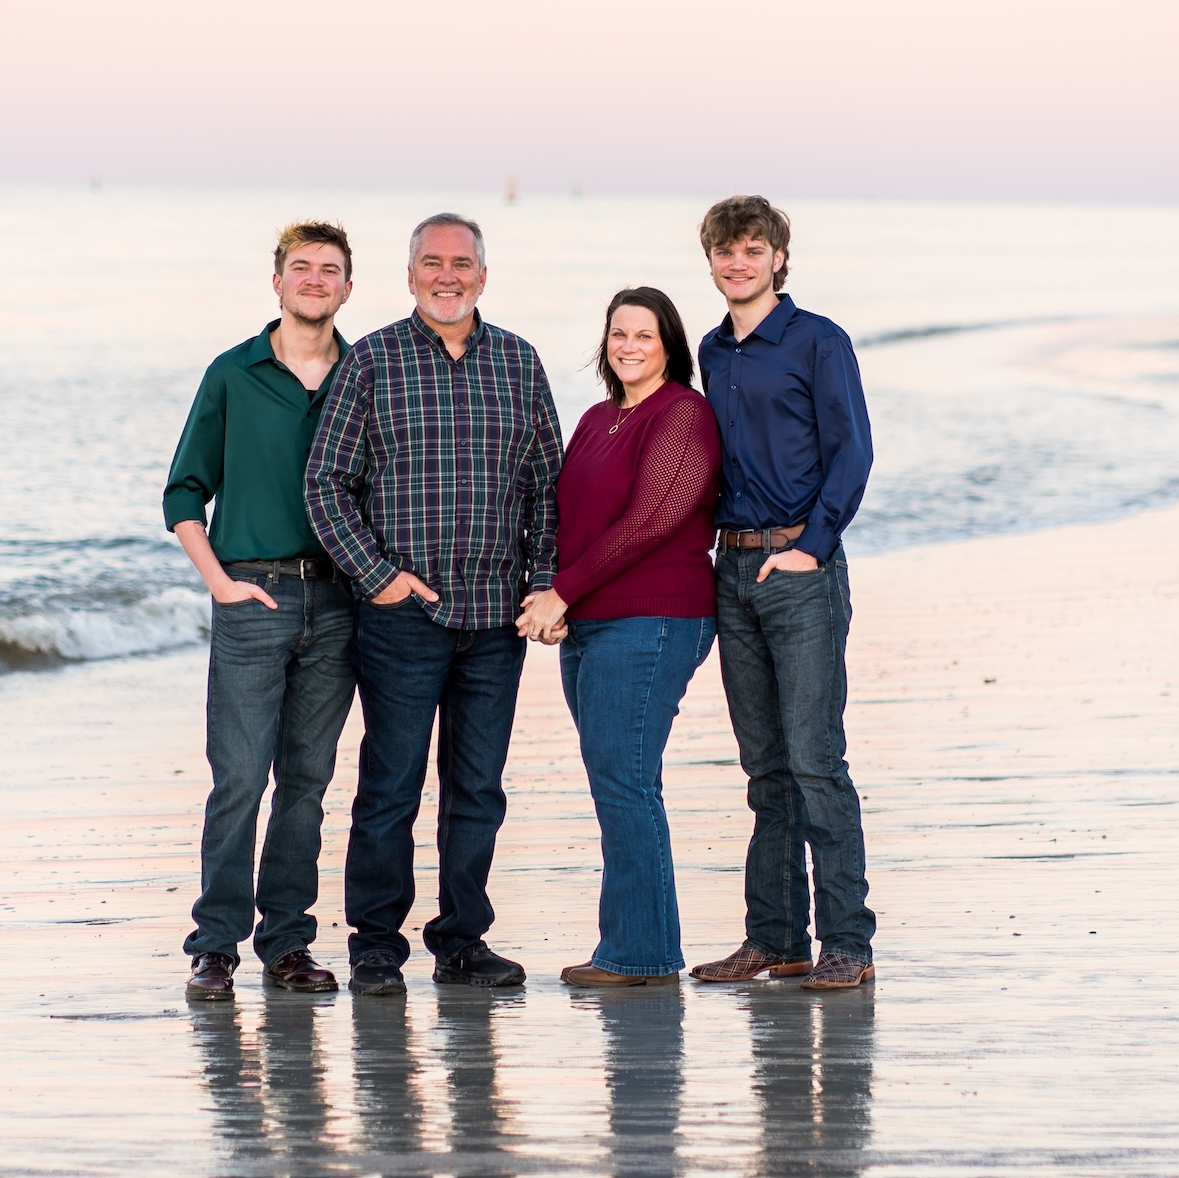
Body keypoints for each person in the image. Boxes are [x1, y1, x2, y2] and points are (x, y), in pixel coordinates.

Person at [305, 212, 564, 996]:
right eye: (431, 262)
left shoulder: (519, 363)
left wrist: (545, 582)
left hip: (495, 621)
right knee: (390, 785)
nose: (446, 275)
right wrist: (375, 575)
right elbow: (324, 482)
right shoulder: (374, 361)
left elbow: (549, 490)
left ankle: (462, 940)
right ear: (409, 274)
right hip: (401, 619)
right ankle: (376, 945)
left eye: (461, 263)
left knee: (478, 789)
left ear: (483, 275)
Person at [163, 221, 359, 1001]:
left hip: (342, 603)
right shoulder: (232, 373)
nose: (315, 279)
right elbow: (184, 490)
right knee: (239, 777)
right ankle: (214, 946)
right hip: (253, 594)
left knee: (307, 782)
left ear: (349, 288)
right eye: (301, 268)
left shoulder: (367, 372)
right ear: (276, 281)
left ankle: (288, 944)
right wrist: (219, 582)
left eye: (330, 270)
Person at [687, 195, 878, 991]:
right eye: (725, 252)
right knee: (764, 768)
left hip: (799, 570)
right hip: (732, 570)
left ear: (778, 257)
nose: (739, 263)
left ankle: (847, 943)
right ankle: (775, 939)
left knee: (815, 761)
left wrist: (813, 547)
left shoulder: (817, 341)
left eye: (753, 250)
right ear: (711, 261)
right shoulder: (712, 349)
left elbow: (852, 452)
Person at [516, 287, 720, 987]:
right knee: (618, 780)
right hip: (593, 623)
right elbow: (569, 519)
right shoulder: (598, 417)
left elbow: (653, 520)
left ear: (670, 345)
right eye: (618, 334)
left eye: (645, 335)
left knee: (626, 782)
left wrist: (563, 591)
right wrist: (553, 596)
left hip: (657, 618)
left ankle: (641, 954)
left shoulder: (684, 414)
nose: (629, 346)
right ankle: (637, 944)